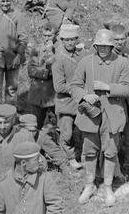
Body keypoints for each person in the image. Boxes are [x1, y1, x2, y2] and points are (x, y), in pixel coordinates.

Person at [70, 29, 129, 207]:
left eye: (107, 46)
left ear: (112, 46)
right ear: (95, 45)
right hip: (90, 115)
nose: (103, 49)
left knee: (110, 151)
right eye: (100, 46)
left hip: (112, 116)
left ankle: (107, 187)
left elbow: (128, 89)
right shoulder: (85, 62)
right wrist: (84, 96)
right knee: (89, 152)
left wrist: (108, 87)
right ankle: (89, 185)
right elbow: (75, 85)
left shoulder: (121, 63)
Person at [0, 141, 64, 214]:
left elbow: (56, 205)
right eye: (36, 159)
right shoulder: (2, 183)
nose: (41, 161)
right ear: (23, 163)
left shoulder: (44, 179)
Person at [50, 23, 83, 169]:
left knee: (84, 130)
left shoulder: (82, 55)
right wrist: (76, 88)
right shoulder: (58, 59)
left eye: (73, 39)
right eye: (67, 40)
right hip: (65, 102)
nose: (70, 43)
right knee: (67, 133)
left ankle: (84, 155)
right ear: (62, 40)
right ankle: (68, 158)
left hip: (81, 101)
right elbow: (58, 86)